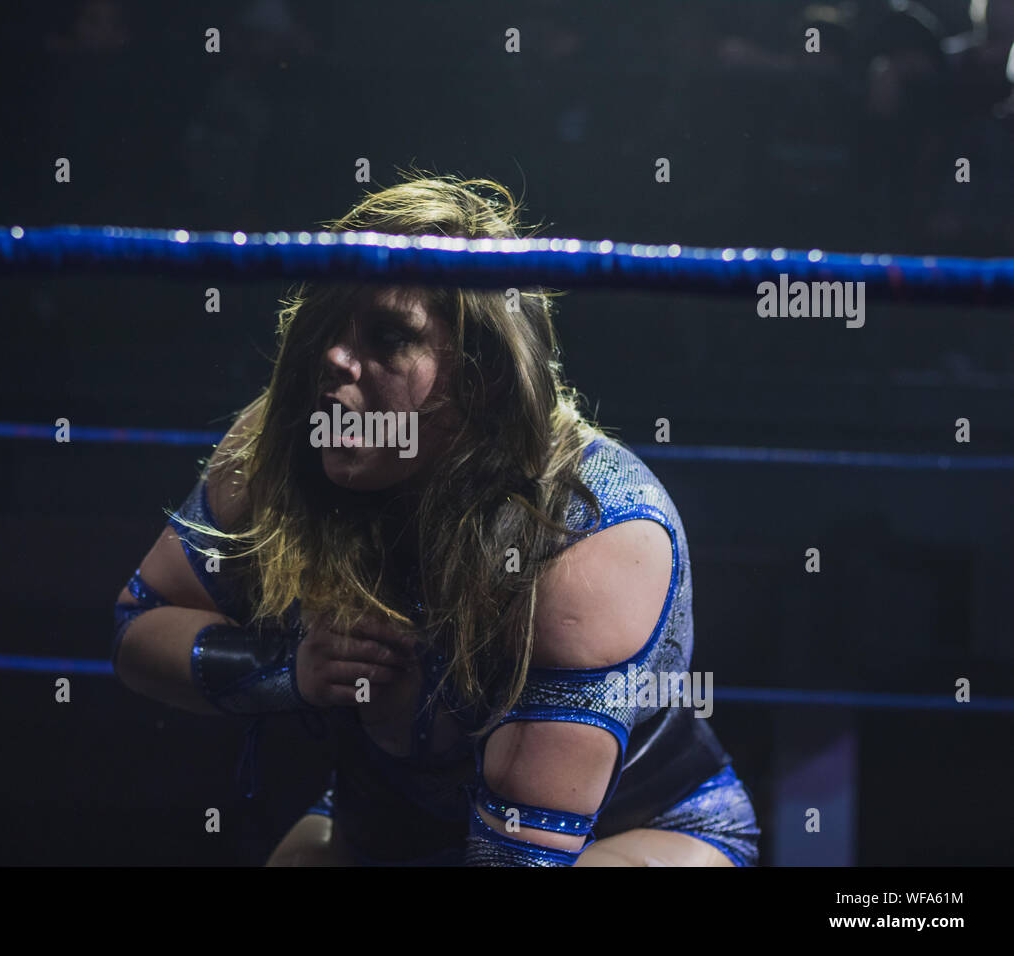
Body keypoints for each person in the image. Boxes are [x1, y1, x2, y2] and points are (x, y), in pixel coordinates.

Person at [111, 174, 761, 866]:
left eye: (389, 337)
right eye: (330, 323)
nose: (333, 357)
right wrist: (289, 668)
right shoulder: (281, 439)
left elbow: (517, 859)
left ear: (478, 380)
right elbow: (137, 626)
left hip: (622, 833)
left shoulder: (590, 532)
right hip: (390, 819)